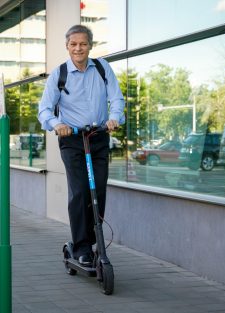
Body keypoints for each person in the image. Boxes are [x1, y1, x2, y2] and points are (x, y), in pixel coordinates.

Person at [38, 25, 125, 266]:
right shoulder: (59, 74)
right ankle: (81, 247)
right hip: (73, 139)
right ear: (67, 46)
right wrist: (57, 124)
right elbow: (44, 109)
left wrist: (114, 117)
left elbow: (116, 98)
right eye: (73, 44)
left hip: (98, 136)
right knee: (79, 192)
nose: (78, 48)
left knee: (98, 191)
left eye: (83, 44)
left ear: (90, 46)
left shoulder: (102, 68)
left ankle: (92, 240)